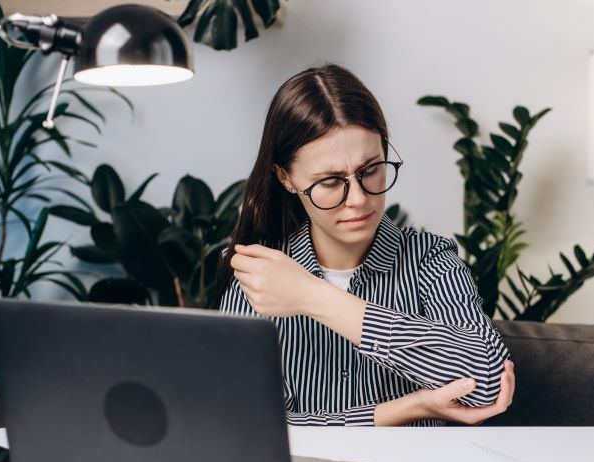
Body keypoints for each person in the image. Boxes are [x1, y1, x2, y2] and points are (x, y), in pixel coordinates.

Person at [216, 63, 514, 426]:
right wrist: (407, 408)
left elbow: (487, 384)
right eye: (329, 181)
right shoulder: (259, 276)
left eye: (370, 169)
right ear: (286, 178)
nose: (358, 199)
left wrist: (313, 296)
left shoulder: (431, 260)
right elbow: (244, 427)